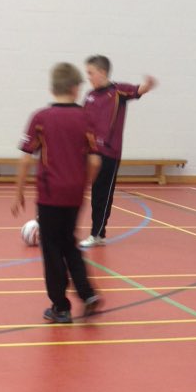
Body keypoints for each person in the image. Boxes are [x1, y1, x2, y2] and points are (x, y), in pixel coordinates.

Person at [12, 62, 102, 323]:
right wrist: (83, 184)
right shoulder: (86, 118)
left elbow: (26, 158)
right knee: (69, 243)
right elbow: (95, 161)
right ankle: (87, 294)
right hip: (74, 193)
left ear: (53, 88)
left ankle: (60, 307)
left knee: (52, 249)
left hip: (50, 194)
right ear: (76, 88)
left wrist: (18, 191)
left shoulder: (41, 118)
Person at [79, 55, 157, 248]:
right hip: (89, 151)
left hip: (109, 153)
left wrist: (147, 85)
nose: (88, 77)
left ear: (102, 72)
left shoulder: (117, 91)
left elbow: (138, 90)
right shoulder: (89, 95)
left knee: (101, 194)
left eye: (91, 73)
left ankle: (97, 234)